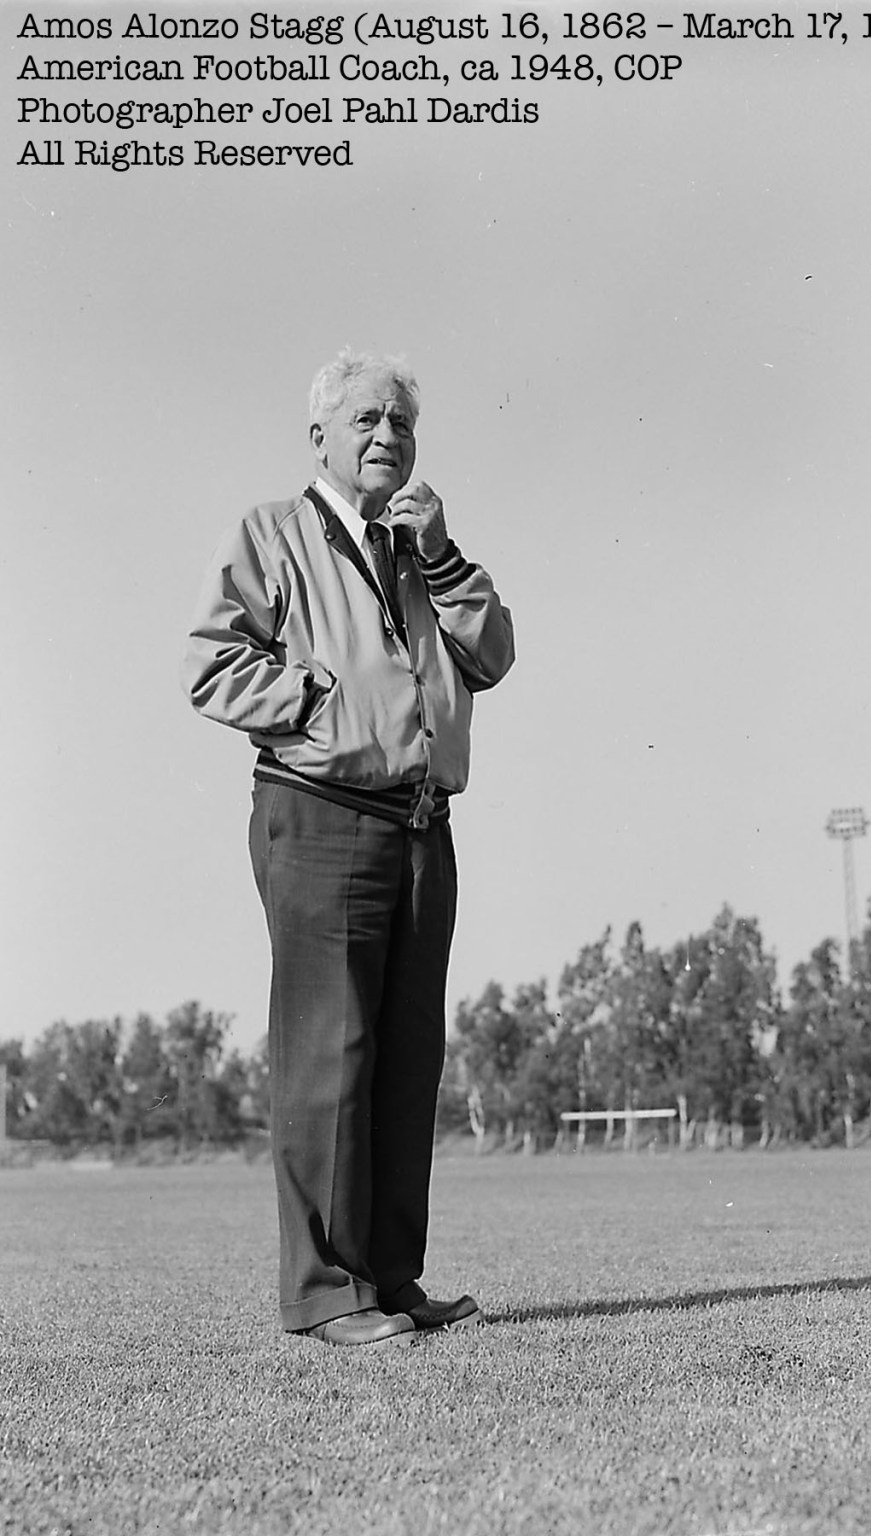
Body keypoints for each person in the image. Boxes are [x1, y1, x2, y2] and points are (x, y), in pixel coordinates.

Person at [182, 348, 515, 1347]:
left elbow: (491, 654)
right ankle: (325, 1295)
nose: (388, 439)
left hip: (421, 822)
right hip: (320, 812)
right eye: (367, 420)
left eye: (403, 425)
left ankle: (387, 1278)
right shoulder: (271, 533)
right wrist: (315, 700)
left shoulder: (423, 549)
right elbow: (210, 663)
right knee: (332, 1055)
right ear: (319, 433)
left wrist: (447, 555)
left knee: (409, 1058)